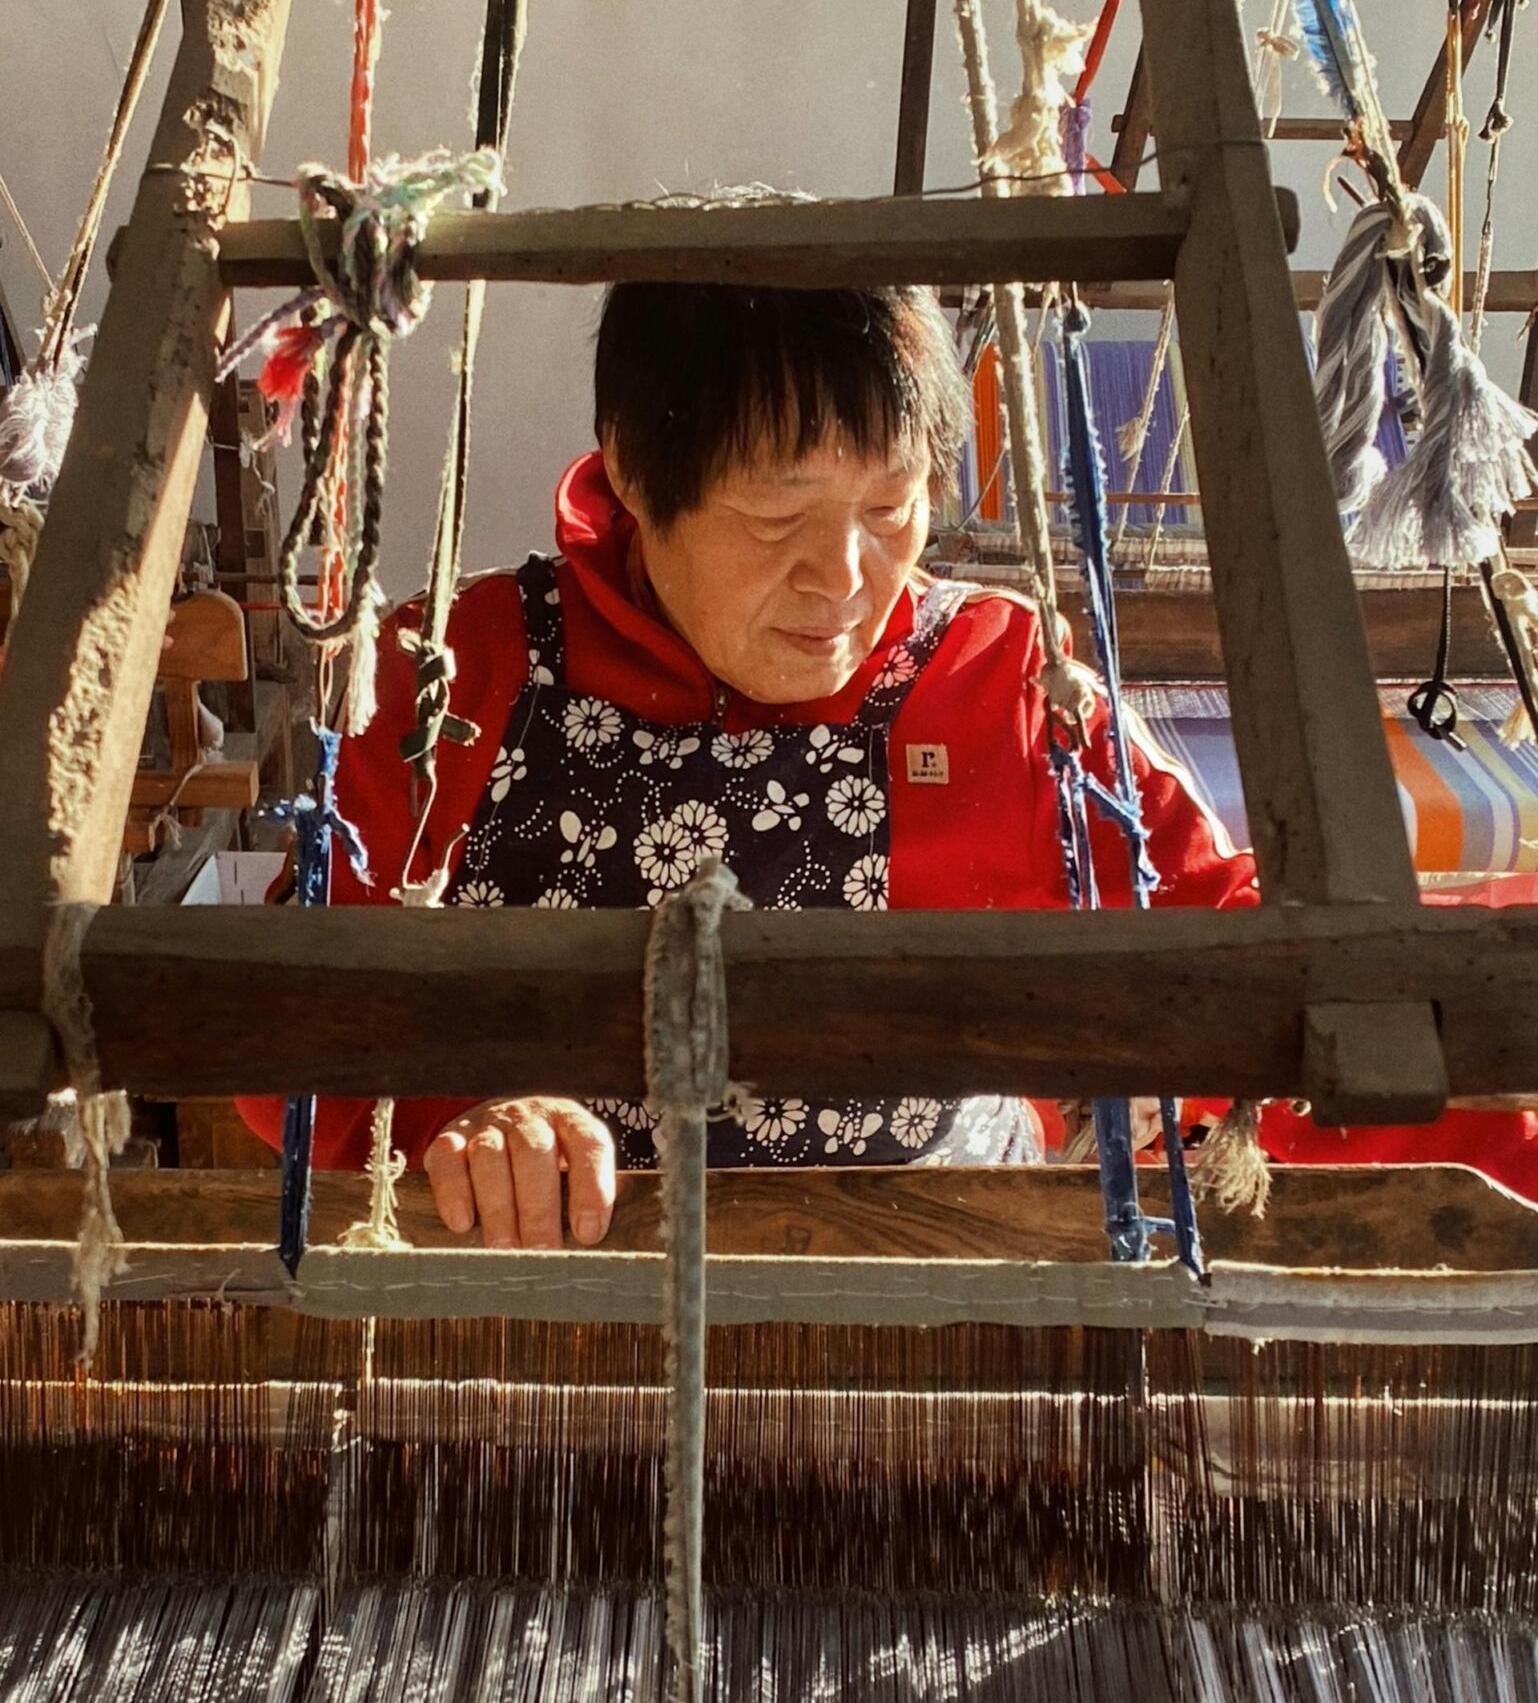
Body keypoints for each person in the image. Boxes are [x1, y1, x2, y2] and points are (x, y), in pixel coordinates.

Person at [238, 281, 1538, 1238]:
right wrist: (452, 1122)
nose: (845, 579)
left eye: (888, 505)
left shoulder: (999, 679)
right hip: (558, 1299)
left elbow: (1236, 957)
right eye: (776, 514)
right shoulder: (452, 669)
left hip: (949, 1280)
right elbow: (284, 1021)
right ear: (632, 475)